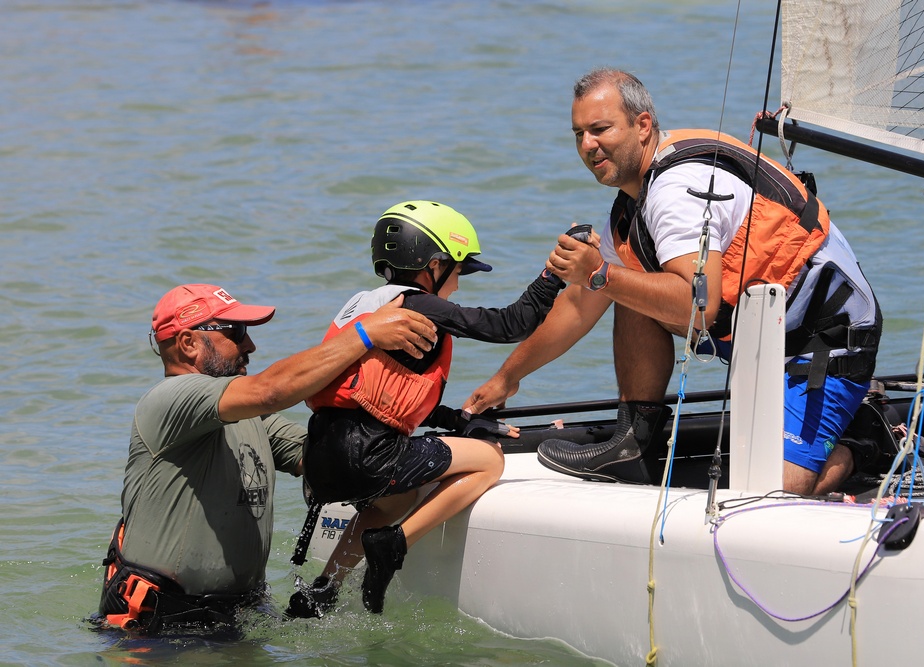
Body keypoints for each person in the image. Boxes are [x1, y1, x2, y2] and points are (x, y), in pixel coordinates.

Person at [463, 68, 881, 496]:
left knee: (768, 497)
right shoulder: (629, 208)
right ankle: (634, 443)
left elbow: (699, 306)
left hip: (827, 337)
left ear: (642, 125)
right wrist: (507, 378)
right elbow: (577, 307)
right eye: (579, 134)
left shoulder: (675, 190)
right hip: (759, 332)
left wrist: (600, 274)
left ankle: (864, 445)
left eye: (600, 129)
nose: (588, 145)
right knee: (629, 283)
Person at [96, 283, 436, 633]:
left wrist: (433, 449)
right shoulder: (168, 400)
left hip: (240, 618)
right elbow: (271, 390)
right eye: (237, 332)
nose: (250, 346)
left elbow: (337, 463)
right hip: (160, 630)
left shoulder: (252, 420)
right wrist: (364, 334)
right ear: (188, 343)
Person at [285, 200, 563, 617]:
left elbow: (376, 397)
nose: (457, 286)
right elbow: (510, 325)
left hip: (322, 459)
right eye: (458, 271)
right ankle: (394, 544)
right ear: (433, 266)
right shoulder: (418, 304)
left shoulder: (361, 305)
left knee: (396, 500)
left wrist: (457, 420)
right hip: (367, 458)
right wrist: (554, 275)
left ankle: (322, 589)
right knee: (490, 461)